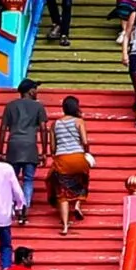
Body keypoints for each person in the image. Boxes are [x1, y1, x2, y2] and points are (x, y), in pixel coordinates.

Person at [0, 78, 46, 222]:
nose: (37, 92)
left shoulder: (10, 106)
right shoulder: (38, 107)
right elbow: (44, 129)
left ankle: (14, 206)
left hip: (13, 146)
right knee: (28, 179)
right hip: (30, 146)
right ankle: (24, 207)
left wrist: (0, 150)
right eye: (35, 89)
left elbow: (2, 129)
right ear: (30, 91)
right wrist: (44, 151)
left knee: (12, 179)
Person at [48, 94, 92, 235]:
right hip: (78, 157)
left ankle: (65, 226)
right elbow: (85, 141)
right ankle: (78, 204)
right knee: (82, 180)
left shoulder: (55, 124)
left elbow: (53, 148)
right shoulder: (79, 121)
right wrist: (86, 153)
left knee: (62, 194)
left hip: (62, 159)